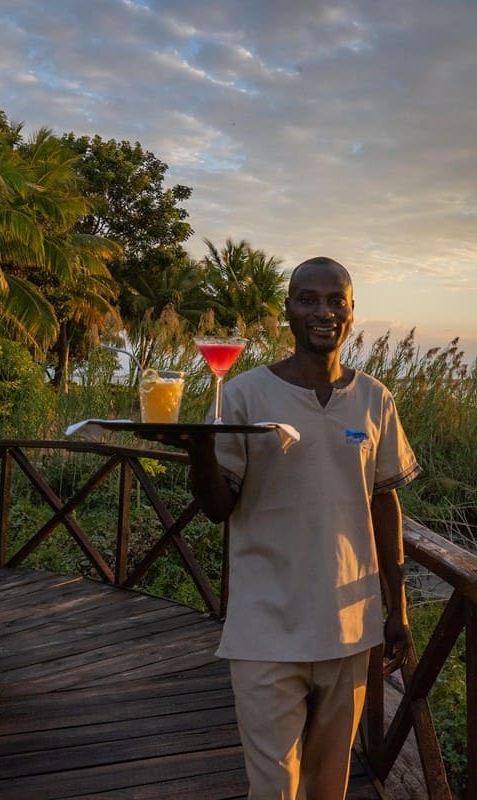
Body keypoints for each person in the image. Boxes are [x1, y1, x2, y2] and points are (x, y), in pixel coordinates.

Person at [153, 256, 419, 800]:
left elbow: (383, 501)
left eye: (335, 300)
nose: (323, 312)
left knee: (330, 783)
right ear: (288, 312)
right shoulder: (245, 394)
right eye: (308, 300)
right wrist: (202, 450)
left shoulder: (374, 399)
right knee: (273, 787)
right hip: (265, 626)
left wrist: (399, 605)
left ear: (351, 311)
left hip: (349, 627)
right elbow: (217, 507)